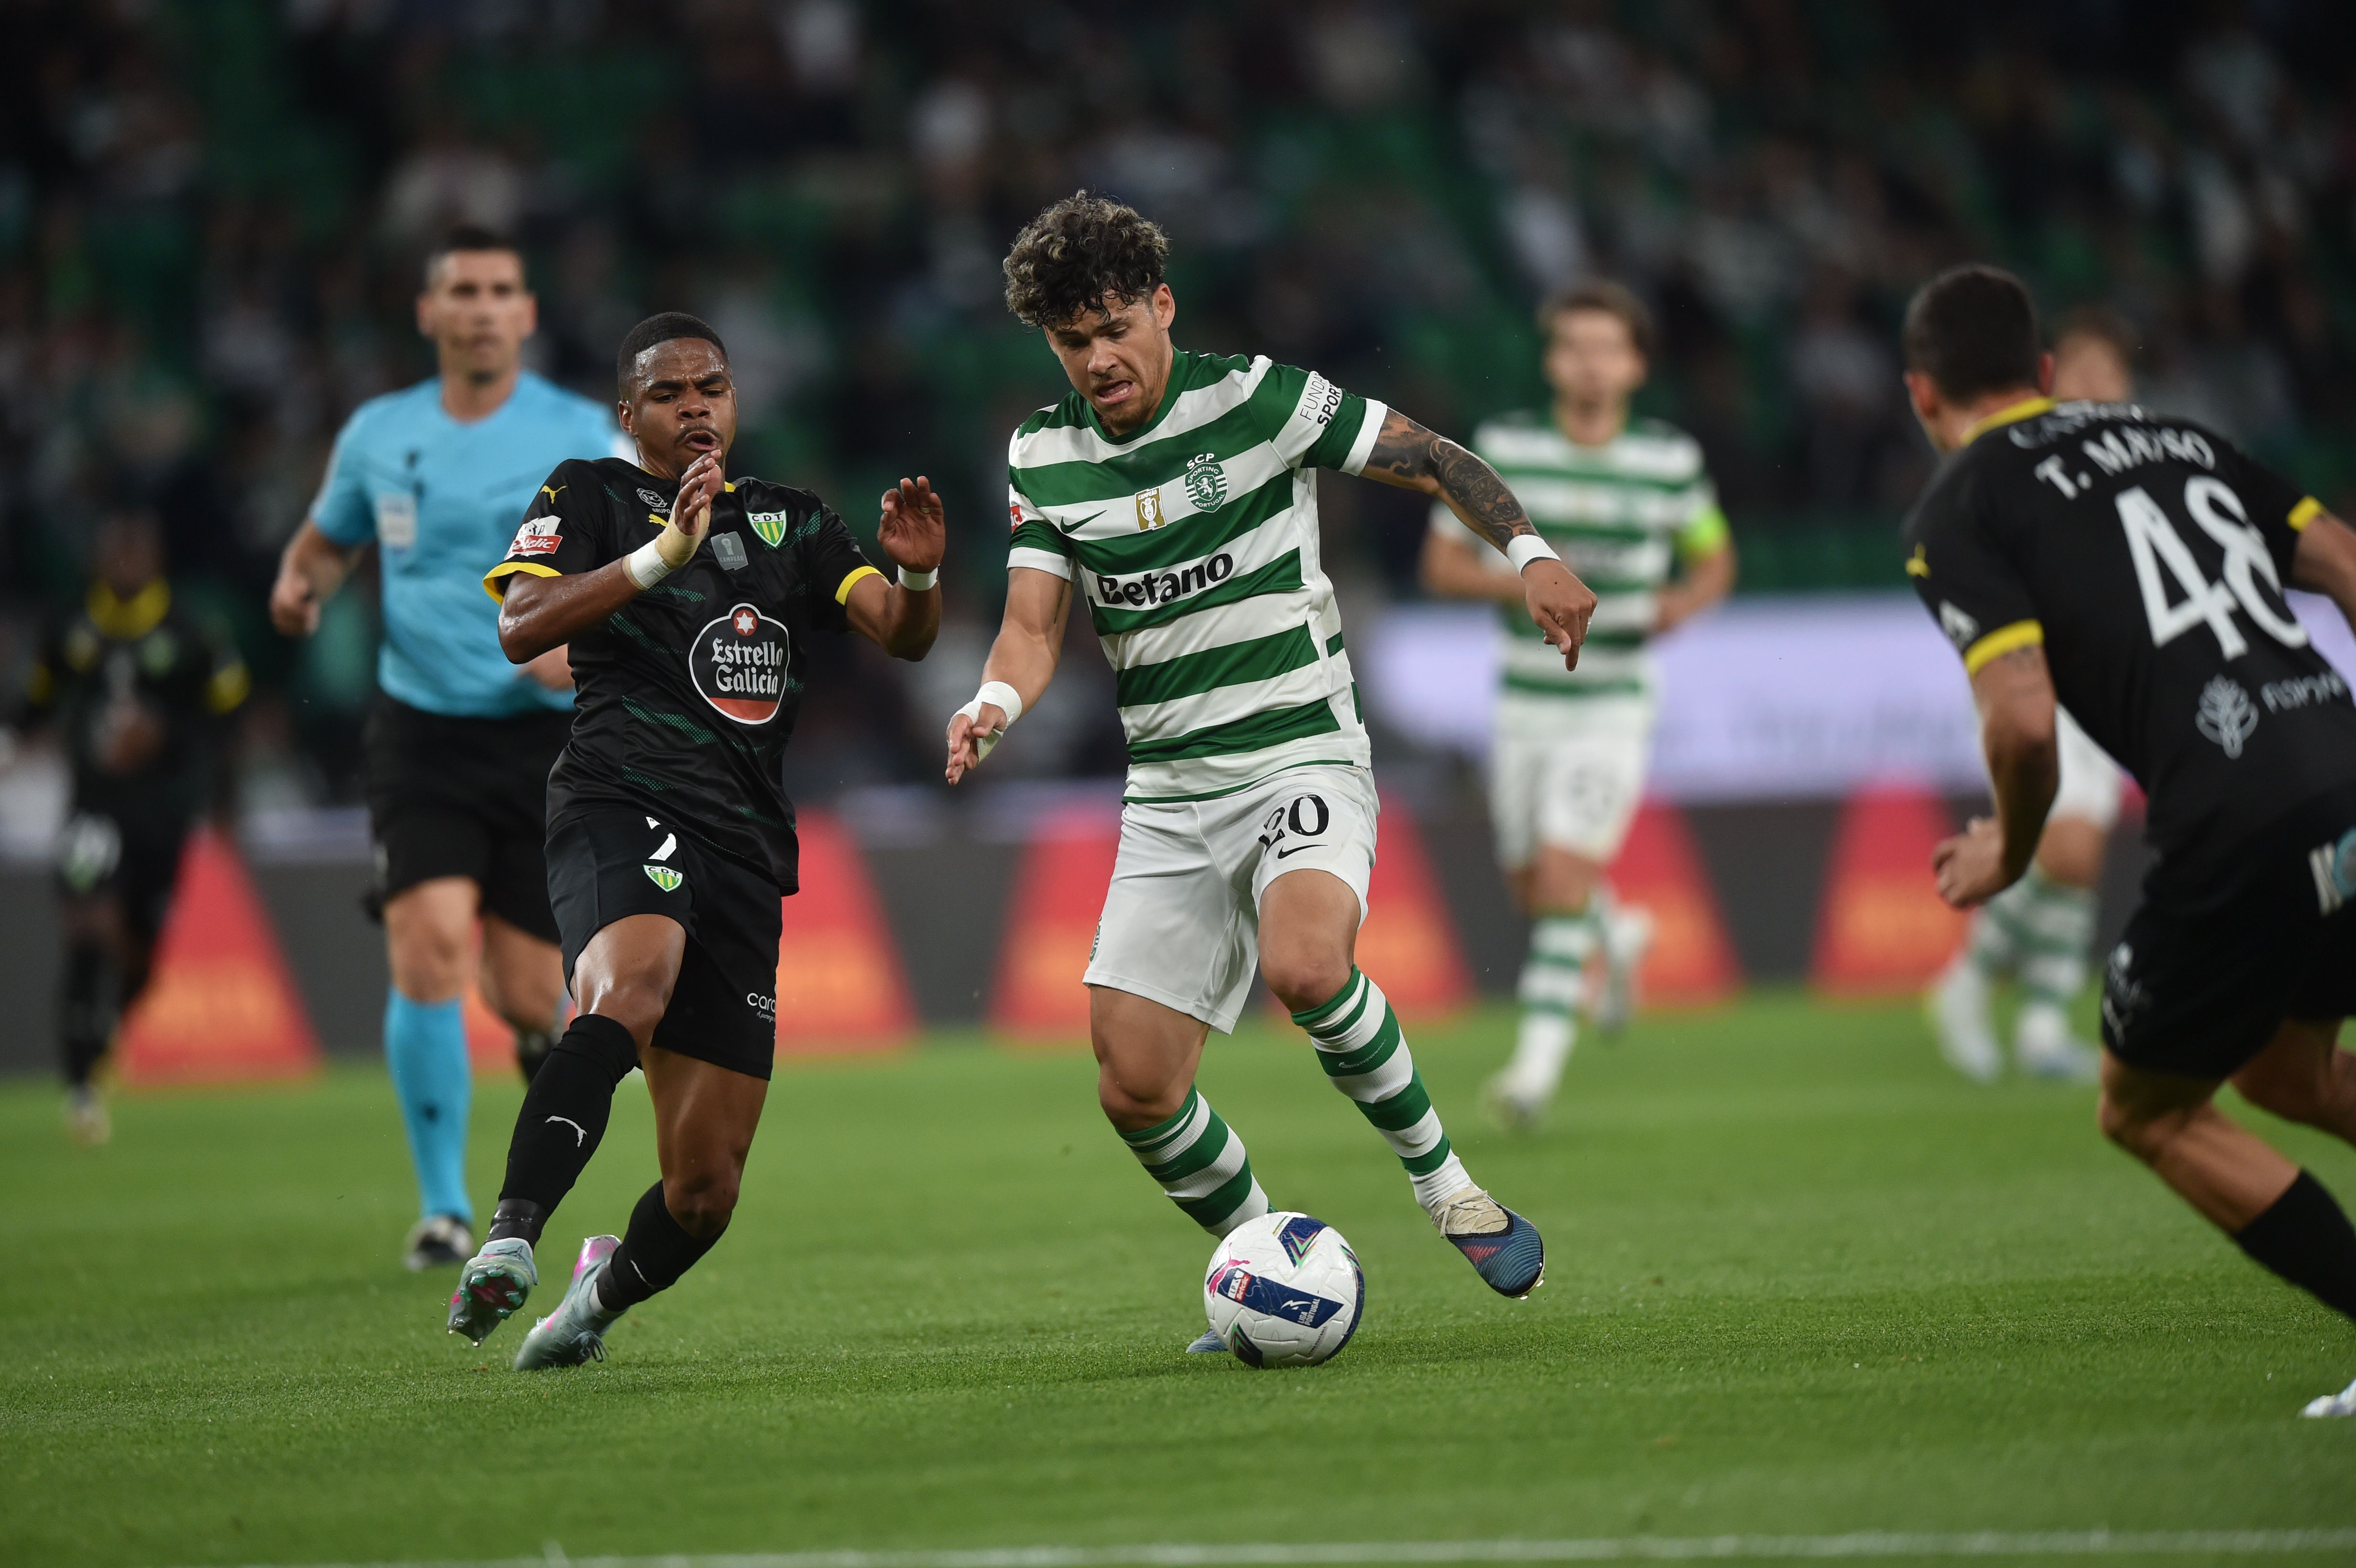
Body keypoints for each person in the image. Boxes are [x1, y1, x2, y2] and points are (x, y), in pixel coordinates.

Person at [946, 193, 1595, 1352]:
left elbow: (1431, 454)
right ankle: (1268, 1263)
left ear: (1161, 306)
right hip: (1170, 794)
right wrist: (994, 701)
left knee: (1306, 966)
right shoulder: (1042, 453)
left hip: (1299, 746)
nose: (1097, 359)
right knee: (1132, 1083)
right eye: (1069, 341)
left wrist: (1532, 554)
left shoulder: (1252, 397)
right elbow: (1033, 630)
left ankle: (1448, 1187)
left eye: (1112, 328)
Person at [1899, 264, 2356, 1418]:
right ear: (2047, 374)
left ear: (1919, 395)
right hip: (2342, 764)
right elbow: (2345, 561)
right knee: (2285, 1070)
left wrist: (2008, 844)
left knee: (2145, 1106)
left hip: (2238, 813)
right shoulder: (2176, 436)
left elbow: (2017, 715)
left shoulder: (1960, 505)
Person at [446, 312, 943, 1369]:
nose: (695, 408)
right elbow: (520, 627)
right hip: (619, 798)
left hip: (746, 851)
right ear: (631, 416)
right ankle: (510, 1236)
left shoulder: (792, 522)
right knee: (631, 984)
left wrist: (919, 581)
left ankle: (589, 1302)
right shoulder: (589, 492)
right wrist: (660, 553)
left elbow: (899, 635)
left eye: (710, 387)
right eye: (668, 394)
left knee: (705, 1190)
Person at [270, 227, 624, 1270]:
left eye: (500, 289)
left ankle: (528, 1049)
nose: (480, 306)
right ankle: (441, 1210)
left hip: (545, 746)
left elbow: (633, 570)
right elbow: (327, 540)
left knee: (525, 993)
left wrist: (579, 649)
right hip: (419, 729)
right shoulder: (379, 434)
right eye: (461, 289)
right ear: (428, 313)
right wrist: (300, 585)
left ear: (526, 314)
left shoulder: (580, 433)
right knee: (425, 946)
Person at [1420, 281, 1735, 1126]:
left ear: (1636, 364)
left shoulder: (1669, 462)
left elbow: (1714, 559)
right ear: (1553, 360)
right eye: (1575, 348)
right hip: (1524, 705)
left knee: (1559, 875)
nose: (1591, 364)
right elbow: (1443, 567)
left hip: (1614, 702)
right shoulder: (1505, 448)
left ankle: (1533, 1069)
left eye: (1609, 348)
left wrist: (1683, 604)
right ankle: (1615, 930)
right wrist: (1524, 580)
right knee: (1535, 887)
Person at [1929, 307, 2139, 1083]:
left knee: (2079, 862)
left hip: (2109, 678)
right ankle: (1970, 981)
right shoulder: (2015, 459)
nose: (2098, 383)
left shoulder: (2135, 461)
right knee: (2066, 843)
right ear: (2047, 376)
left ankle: (2043, 1022)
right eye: (2082, 367)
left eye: (2112, 371)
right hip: (2029, 671)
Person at [18, 506, 248, 1143]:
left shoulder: (192, 630)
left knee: (141, 956)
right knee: (89, 930)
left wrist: (175, 747)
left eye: (134, 551)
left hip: (164, 815)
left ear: (154, 560)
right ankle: (80, 1085)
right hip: (94, 808)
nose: (123, 563)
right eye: (113, 551)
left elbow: (229, 718)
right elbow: (36, 701)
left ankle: (110, 1026)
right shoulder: (69, 625)